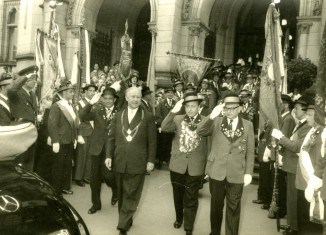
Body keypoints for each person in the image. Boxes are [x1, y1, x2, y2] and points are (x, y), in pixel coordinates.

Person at [197, 93, 255, 235]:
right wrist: (211, 116)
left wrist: (248, 172)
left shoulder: (248, 125)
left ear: (240, 108)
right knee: (216, 207)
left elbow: (250, 151)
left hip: (236, 173)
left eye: (232, 108)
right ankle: (214, 232)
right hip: (217, 171)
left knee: (234, 207)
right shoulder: (216, 122)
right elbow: (200, 131)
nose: (229, 111)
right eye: (226, 108)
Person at [104, 87, 157, 235]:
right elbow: (111, 138)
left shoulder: (147, 116)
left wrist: (151, 160)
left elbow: (152, 142)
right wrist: (108, 156)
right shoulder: (119, 115)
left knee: (131, 192)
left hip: (138, 161)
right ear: (126, 98)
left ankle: (122, 225)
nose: (135, 100)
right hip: (119, 160)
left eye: (138, 97)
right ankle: (127, 218)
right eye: (132, 97)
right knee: (121, 192)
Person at [161, 92, 208, 235]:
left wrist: (207, 166)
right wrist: (173, 110)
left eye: (193, 106)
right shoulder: (177, 119)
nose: (190, 109)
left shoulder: (207, 121)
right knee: (178, 194)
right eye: (187, 106)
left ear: (199, 107)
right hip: (178, 164)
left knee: (192, 197)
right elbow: (164, 127)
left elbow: (209, 144)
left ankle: (188, 225)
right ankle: (179, 218)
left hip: (196, 165)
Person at [271, 96, 311, 235]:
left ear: (305, 111)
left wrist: (281, 137)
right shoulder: (300, 123)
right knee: (291, 198)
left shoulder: (306, 127)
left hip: (296, 167)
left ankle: (294, 228)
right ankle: (291, 224)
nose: (295, 110)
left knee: (294, 199)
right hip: (291, 164)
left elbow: (296, 146)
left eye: (298, 108)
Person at [79, 87, 119, 214]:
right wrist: (90, 103)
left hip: (112, 150)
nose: (108, 101)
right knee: (94, 178)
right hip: (96, 148)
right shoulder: (97, 110)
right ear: (101, 99)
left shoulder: (120, 112)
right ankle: (96, 204)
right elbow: (82, 115)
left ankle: (116, 190)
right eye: (105, 98)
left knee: (108, 175)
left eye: (110, 99)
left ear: (115, 100)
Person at [48, 80, 82, 195]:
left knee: (67, 165)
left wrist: (76, 137)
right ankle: (56, 190)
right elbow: (52, 124)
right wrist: (55, 141)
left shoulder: (71, 105)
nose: (73, 94)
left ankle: (64, 186)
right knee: (58, 166)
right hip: (61, 141)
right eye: (71, 91)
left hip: (70, 140)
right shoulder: (56, 106)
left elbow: (75, 123)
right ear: (64, 93)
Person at [295, 103, 323, 234]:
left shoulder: (322, 133)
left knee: (312, 223)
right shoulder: (313, 131)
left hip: (313, 182)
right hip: (304, 180)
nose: (307, 117)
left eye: (310, 115)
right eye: (306, 114)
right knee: (304, 217)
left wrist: (314, 181)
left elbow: (320, 160)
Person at [7, 65, 39, 171]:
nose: (35, 81)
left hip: (31, 128)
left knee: (29, 158)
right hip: (19, 127)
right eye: (33, 78)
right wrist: (25, 77)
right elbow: (11, 89)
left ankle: (27, 183)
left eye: (35, 78)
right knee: (19, 159)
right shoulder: (17, 93)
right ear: (25, 80)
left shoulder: (33, 94)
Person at [74, 84, 98, 187]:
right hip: (83, 131)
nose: (92, 92)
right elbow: (78, 118)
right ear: (85, 92)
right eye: (90, 90)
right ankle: (78, 177)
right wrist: (79, 134)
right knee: (81, 155)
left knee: (89, 155)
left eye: (94, 91)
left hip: (92, 131)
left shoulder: (96, 103)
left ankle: (86, 176)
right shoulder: (80, 103)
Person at [155, 86, 176, 168]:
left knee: (170, 144)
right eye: (168, 92)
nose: (170, 94)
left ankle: (167, 159)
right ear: (165, 94)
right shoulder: (161, 103)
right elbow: (158, 115)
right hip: (163, 128)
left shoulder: (175, 103)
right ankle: (160, 160)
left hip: (172, 128)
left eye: (171, 93)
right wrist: (160, 126)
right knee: (162, 144)